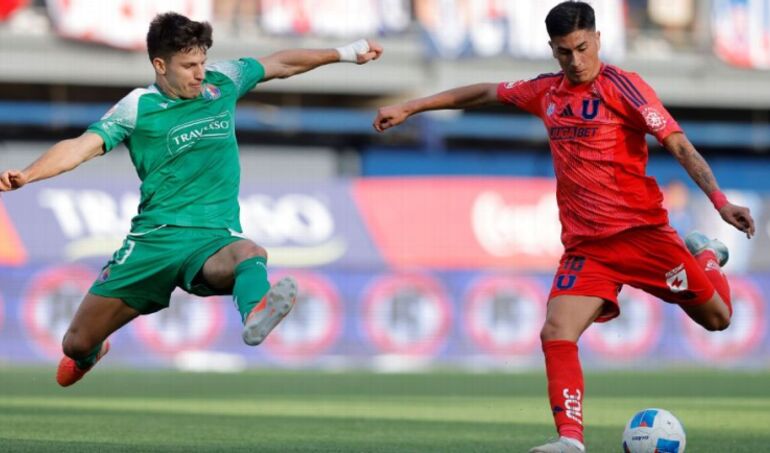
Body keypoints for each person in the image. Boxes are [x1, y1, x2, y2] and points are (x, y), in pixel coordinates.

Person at [372, 2, 754, 452]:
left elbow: (680, 145)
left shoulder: (626, 88)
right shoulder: (546, 93)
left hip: (643, 235)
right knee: (556, 331)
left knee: (719, 319)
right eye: (563, 52)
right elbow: (482, 93)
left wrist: (720, 201)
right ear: (551, 51)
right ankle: (570, 441)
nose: (575, 61)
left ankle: (705, 253)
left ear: (597, 39)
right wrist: (412, 107)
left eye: (581, 48)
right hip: (588, 248)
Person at [0, 12, 382, 387]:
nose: (199, 73)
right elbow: (81, 147)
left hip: (213, 237)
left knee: (249, 252)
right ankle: (91, 353)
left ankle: (256, 311)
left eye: (202, 61)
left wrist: (345, 52)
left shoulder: (223, 80)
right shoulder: (138, 106)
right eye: (188, 66)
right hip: (154, 241)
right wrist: (29, 175)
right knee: (75, 342)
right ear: (160, 64)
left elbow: (280, 62)